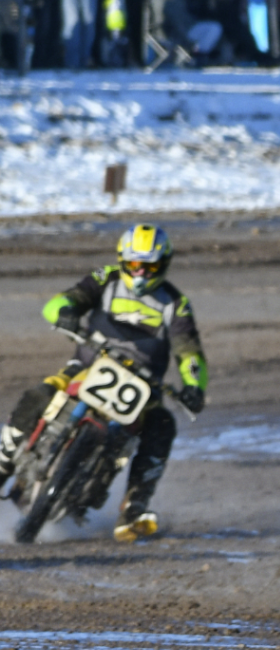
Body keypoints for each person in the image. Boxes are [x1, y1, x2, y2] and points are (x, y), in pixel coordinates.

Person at [2, 225, 206, 542]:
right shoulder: (105, 279)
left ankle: (134, 507)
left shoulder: (175, 304)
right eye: (134, 264)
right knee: (40, 394)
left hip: (143, 386)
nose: (140, 272)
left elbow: (188, 350)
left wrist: (194, 386)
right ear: (123, 260)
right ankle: (3, 462)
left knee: (162, 425)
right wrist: (66, 313)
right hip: (86, 366)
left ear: (163, 265)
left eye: (149, 266)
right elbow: (63, 301)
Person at [146, 0, 223, 60]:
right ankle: (196, 54)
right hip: (172, 32)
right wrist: (163, 32)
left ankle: (199, 53)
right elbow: (159, 15)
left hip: (187, 27)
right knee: (213, 28)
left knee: (214, 28)